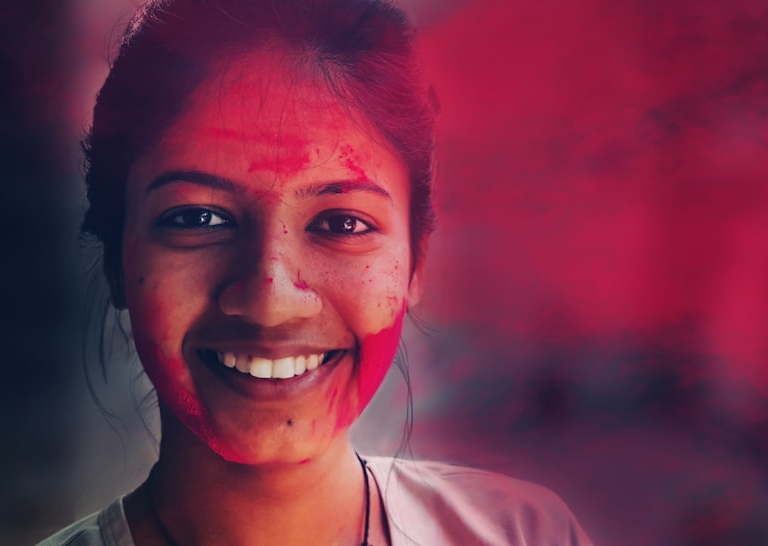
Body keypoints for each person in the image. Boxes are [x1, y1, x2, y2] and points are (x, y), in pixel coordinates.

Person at [40, 0, 593, 544]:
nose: (271, 300)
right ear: (118, 257)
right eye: (198, 217)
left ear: (416, 262)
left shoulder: (524, 534)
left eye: (342, 225)